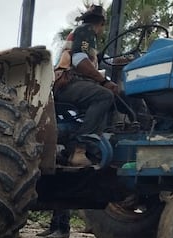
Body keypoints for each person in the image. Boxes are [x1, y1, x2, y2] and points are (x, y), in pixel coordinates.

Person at [52, 4, 118, 168]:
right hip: (69, 83)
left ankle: (96, 145)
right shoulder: (86, 30)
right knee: (104, 95)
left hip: (78, 83)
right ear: (102, 23)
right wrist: (104, 81)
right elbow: (79, 62)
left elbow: (95, 60)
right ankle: (79, 149)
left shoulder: (86, 38)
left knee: (113, 95)